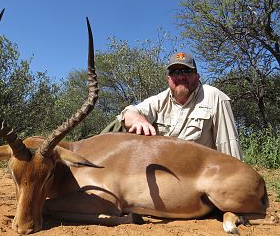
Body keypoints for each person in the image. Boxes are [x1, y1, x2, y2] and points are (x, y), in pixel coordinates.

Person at [103, 52, 242, 160]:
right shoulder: (160, 100)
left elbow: (228, 146)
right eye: (174, 72)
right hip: (164, 172)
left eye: (186, 71)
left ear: (197, 76)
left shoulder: (214, 97)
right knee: (118, 124)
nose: (180, 77)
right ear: (168, 79)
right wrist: (137, 119)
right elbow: (129, 112)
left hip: (198, 174)